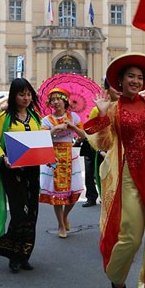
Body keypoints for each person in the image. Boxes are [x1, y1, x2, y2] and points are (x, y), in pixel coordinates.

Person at [85, 53, 145, 288]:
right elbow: (101, 143)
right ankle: (117, 278)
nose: (136, 81)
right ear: (120, 79)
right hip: (129, 174)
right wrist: (101, 115)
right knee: (131, 237)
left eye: (139, 77)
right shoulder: (112, 108)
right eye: (131, 76)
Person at [0, 78, 43, 273]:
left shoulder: (35, 117)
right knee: (20, 213)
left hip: (32, 171)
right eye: (21, 94)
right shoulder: (4, 117)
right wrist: (4, 157)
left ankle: (25, 254)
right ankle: (13, 255)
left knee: (32, 213)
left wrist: (48, 155)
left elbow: (37, 142)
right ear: (13, 95)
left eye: (28, 94)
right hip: (12, 170)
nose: (26, 98)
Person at [39, 87, 86, 238]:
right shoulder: (47, 120)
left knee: (76, 190)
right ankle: (60, 223)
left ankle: (66, 216)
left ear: (65, 101)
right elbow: (41, 138)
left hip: (70, 155)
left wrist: (72, 127)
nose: (56, 102)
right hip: (53, 156)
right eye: (53, 99)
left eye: (59, 99)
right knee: (57, 192)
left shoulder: (74, 117)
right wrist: (54, 129)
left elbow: (84, 136)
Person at [83, 78, 119, 207]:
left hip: (116, 152)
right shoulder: (97, 109)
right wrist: (101, 151)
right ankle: (92, 197)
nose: (119, 89)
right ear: (107, 90)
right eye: (115, 86)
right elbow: (92, 133)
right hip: (99, 150)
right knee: (92, 173)